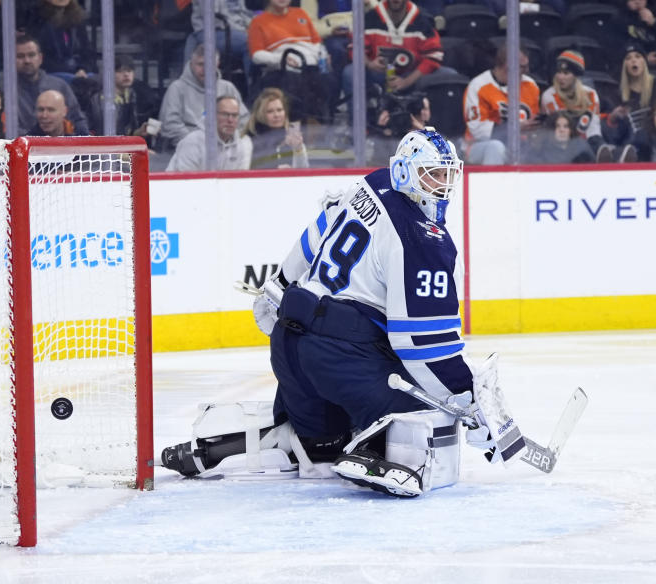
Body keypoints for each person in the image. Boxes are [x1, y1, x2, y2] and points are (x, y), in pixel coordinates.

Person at [160, 128, 525, 498]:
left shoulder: (374, 183)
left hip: (289, 346)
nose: (441, 184)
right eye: (431, 173)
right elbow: (422, 346)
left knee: (323, 445)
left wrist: (279, 284)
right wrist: (471, 403)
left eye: (447, 174)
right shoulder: (422, 239)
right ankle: (375, 452)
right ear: (404, 171)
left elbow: (319, 230)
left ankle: (280, 445)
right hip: (338, 359)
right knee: (430, 405)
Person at [341, 0, 447, 102]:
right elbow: (355, 48)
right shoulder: (369, 18)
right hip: (379, 74)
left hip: (412, 74)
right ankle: (359, 121)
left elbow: (433, 57)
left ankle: (430, 120)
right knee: (350, 72)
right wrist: (369, 64)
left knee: (448, 75)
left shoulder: (423, 21)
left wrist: (406, 82)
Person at [158, 43, 249, 150]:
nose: (205, 69)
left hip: (226, 149)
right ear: (191, 64)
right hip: (187, 150)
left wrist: (227, 141)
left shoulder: (228, 88)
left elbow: (244, 120)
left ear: (217, 64)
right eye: (200, 64)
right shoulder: (177, 88)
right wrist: (198, 144)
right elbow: (170, 126)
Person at [462, 46, 541, 164]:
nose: (527, 70)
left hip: (520, 146)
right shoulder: (478, 86)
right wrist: (514, 129)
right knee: (495, 148)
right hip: (479, 146)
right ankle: (492, 183)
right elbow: (478, 132)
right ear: (508, 66)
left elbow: (534, 123)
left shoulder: (530, 85)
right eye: (523, 67)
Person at [13, 35, 90, 135]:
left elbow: (78, 120)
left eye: (31, 55)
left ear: (40, 58)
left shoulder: (60, 86)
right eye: (20, 56)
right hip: (23, 147)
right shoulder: (6, 90)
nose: (27, 61)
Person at [540, 50, 609, 161]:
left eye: (566, 73)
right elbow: (559, 128)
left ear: (576, 76)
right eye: (559, 72)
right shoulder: (549, 96)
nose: (561, 77)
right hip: (561, 145)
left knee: (598, 145)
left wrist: (597, 144)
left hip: (589, 142)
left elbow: (594, 129)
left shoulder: (591, 94)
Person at [248, 0, 326, 73]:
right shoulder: (258, 21)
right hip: (282, 67)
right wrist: (281, 58)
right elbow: (256, 55)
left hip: (310, 63)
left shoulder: (301, 13)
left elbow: (317, 42)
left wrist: (317, 57)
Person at [33, 0, 96, 81]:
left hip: (78, 72)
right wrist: (70, 72)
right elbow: (42, 56)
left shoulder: (78, 21)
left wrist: (83, 69)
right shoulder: (39, 21)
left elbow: (87, 52)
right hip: (52, 73)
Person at [166, 95, 252, 171]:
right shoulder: (192, 142)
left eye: (234, 115)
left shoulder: (241, 144)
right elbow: (186, 181)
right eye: (225, 114)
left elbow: (239, 181)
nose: (230, 120)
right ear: (212, 115)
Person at [601, 42, 653, 162]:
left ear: (644, 62)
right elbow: (612, 135)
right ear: (624, 65)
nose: (634, 61)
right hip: (628, 144)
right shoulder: (615, 94)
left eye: (638, 57)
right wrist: (613, 118)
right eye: (628, 58)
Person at [88, 54, 160, 138]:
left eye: (129, 71)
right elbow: (108, 137)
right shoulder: (101, 100)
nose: (126, 74)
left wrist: (139, 132)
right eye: (120, 71)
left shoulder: (131, 95)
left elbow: (126, 134)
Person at [244, 87, 308, 169]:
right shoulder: (249, 141)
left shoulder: (292, 137)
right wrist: (275, 170)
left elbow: (303, 172)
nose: (276, 115)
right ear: (261, 114)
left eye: (279, 110)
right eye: (270, 111)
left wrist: (298, 149)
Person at [610, 0, 656, 69]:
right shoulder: (618, 20)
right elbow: (617, 47)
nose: (637, 2)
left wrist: (653, 23)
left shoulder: (653, 16)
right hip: (631, 65)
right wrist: (644, 59)